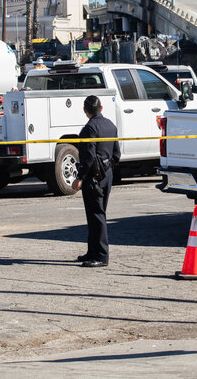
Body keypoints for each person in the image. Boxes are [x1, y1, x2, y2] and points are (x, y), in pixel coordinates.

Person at [71, 95, 121, 268]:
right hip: (107, 175)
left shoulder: (89, 129)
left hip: (93, 177)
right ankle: (92, 251)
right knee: (97, 214)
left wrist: (80, 177)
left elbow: (89, 157)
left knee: (96, 216)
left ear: (85, 111)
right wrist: (106, 169)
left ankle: (101, 255)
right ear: (101, 108)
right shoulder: (111, 126)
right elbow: (117, 155)